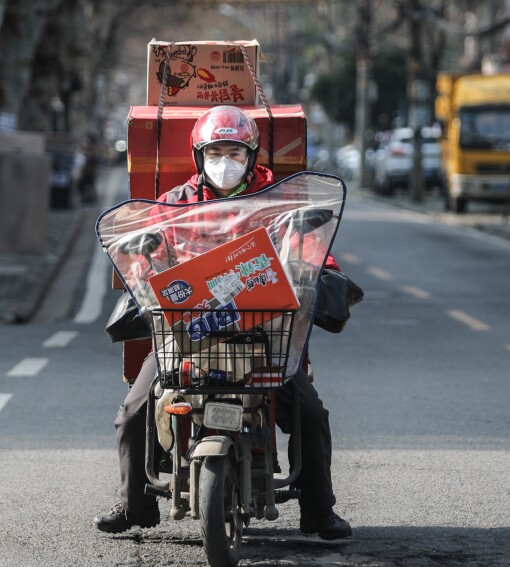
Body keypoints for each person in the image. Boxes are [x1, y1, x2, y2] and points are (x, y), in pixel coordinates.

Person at [93, 105, 352, 540]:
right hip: (187, 336)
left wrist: (322, 272)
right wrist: (142, 273)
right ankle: (134, 504)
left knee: (310, 411)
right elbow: (146, 258)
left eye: (234, 152)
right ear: (199, 156)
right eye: (215, 153)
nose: (225, 162)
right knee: (133, 412)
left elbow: (311, 247)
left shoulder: (279, 200)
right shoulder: (174, 204)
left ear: (251, 155)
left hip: (264, 336)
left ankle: (319, 509)